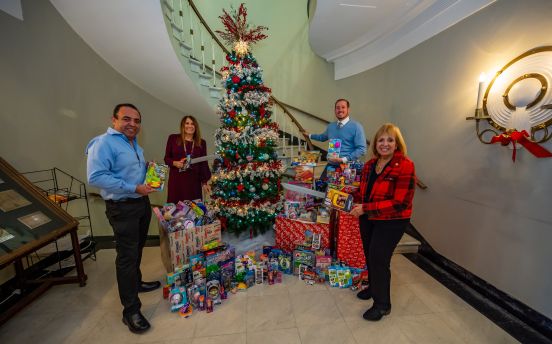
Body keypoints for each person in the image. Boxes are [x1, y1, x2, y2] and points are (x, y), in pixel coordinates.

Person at [86, 103, 161, 334]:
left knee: (137, 248)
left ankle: (136, 283)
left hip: (140, 203)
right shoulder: (103, 143)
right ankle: (130, 311)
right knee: (127, 256)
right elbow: (96, 176)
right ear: (114, 120)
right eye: (127, 119)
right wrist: (132, 187)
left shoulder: (133, 144)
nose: (132, 124)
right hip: (122, 207)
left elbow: (127, 171)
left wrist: (146, 169)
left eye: (137, 121)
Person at [349, 123, 416, 321]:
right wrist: (345, 195)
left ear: (397, 144)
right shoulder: (370, 164)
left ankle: (382, 305)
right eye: (381, 140)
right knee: (370, 254)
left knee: (379, 259)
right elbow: (364, 192)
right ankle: (373, 287)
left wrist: (365, 208)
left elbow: (400, 203)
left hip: (392, 221)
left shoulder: (405, 165)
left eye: (390, 140)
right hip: (369, 218)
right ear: (375, 144)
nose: (384, 144)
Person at [303, 99, 367, 176]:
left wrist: (343, 159)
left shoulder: (356, 127)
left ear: (348, 109)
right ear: (335, 110)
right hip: (331, 165)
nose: (340, 110)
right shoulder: (331, 126)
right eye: (337, 108)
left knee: (339, 188)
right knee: (321, 187)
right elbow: (322, 137)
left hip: (347, 167)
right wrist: (309, 135)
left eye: (343, 107)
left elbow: (362, 149)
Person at [164, 115, 211, 203]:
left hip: (194, 183)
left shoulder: (202, 142)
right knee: (175, 212)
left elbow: (203, 164)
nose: (190, 126)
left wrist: (204, 183)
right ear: (183, 125)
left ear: (196, 126)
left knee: (193, 211)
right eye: (187, 123)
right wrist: (175, 163)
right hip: (176, 181)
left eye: (192, 124)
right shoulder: (173, 138)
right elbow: (166, 158)